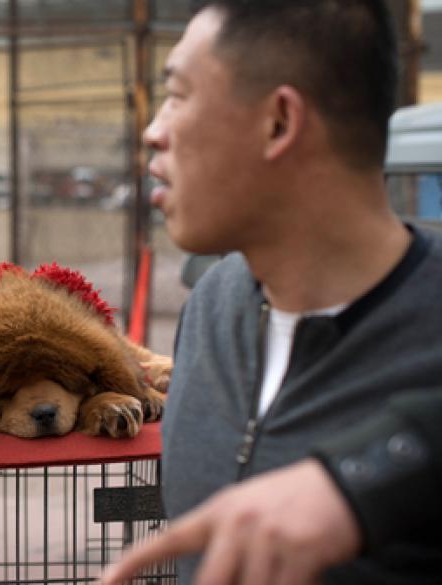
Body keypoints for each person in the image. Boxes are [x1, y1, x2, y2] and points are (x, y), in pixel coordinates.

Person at [102, 1, 442, 583]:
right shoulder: (210, 307)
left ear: (279, 122)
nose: (153, 131)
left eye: (178, 95)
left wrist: (358, 480)